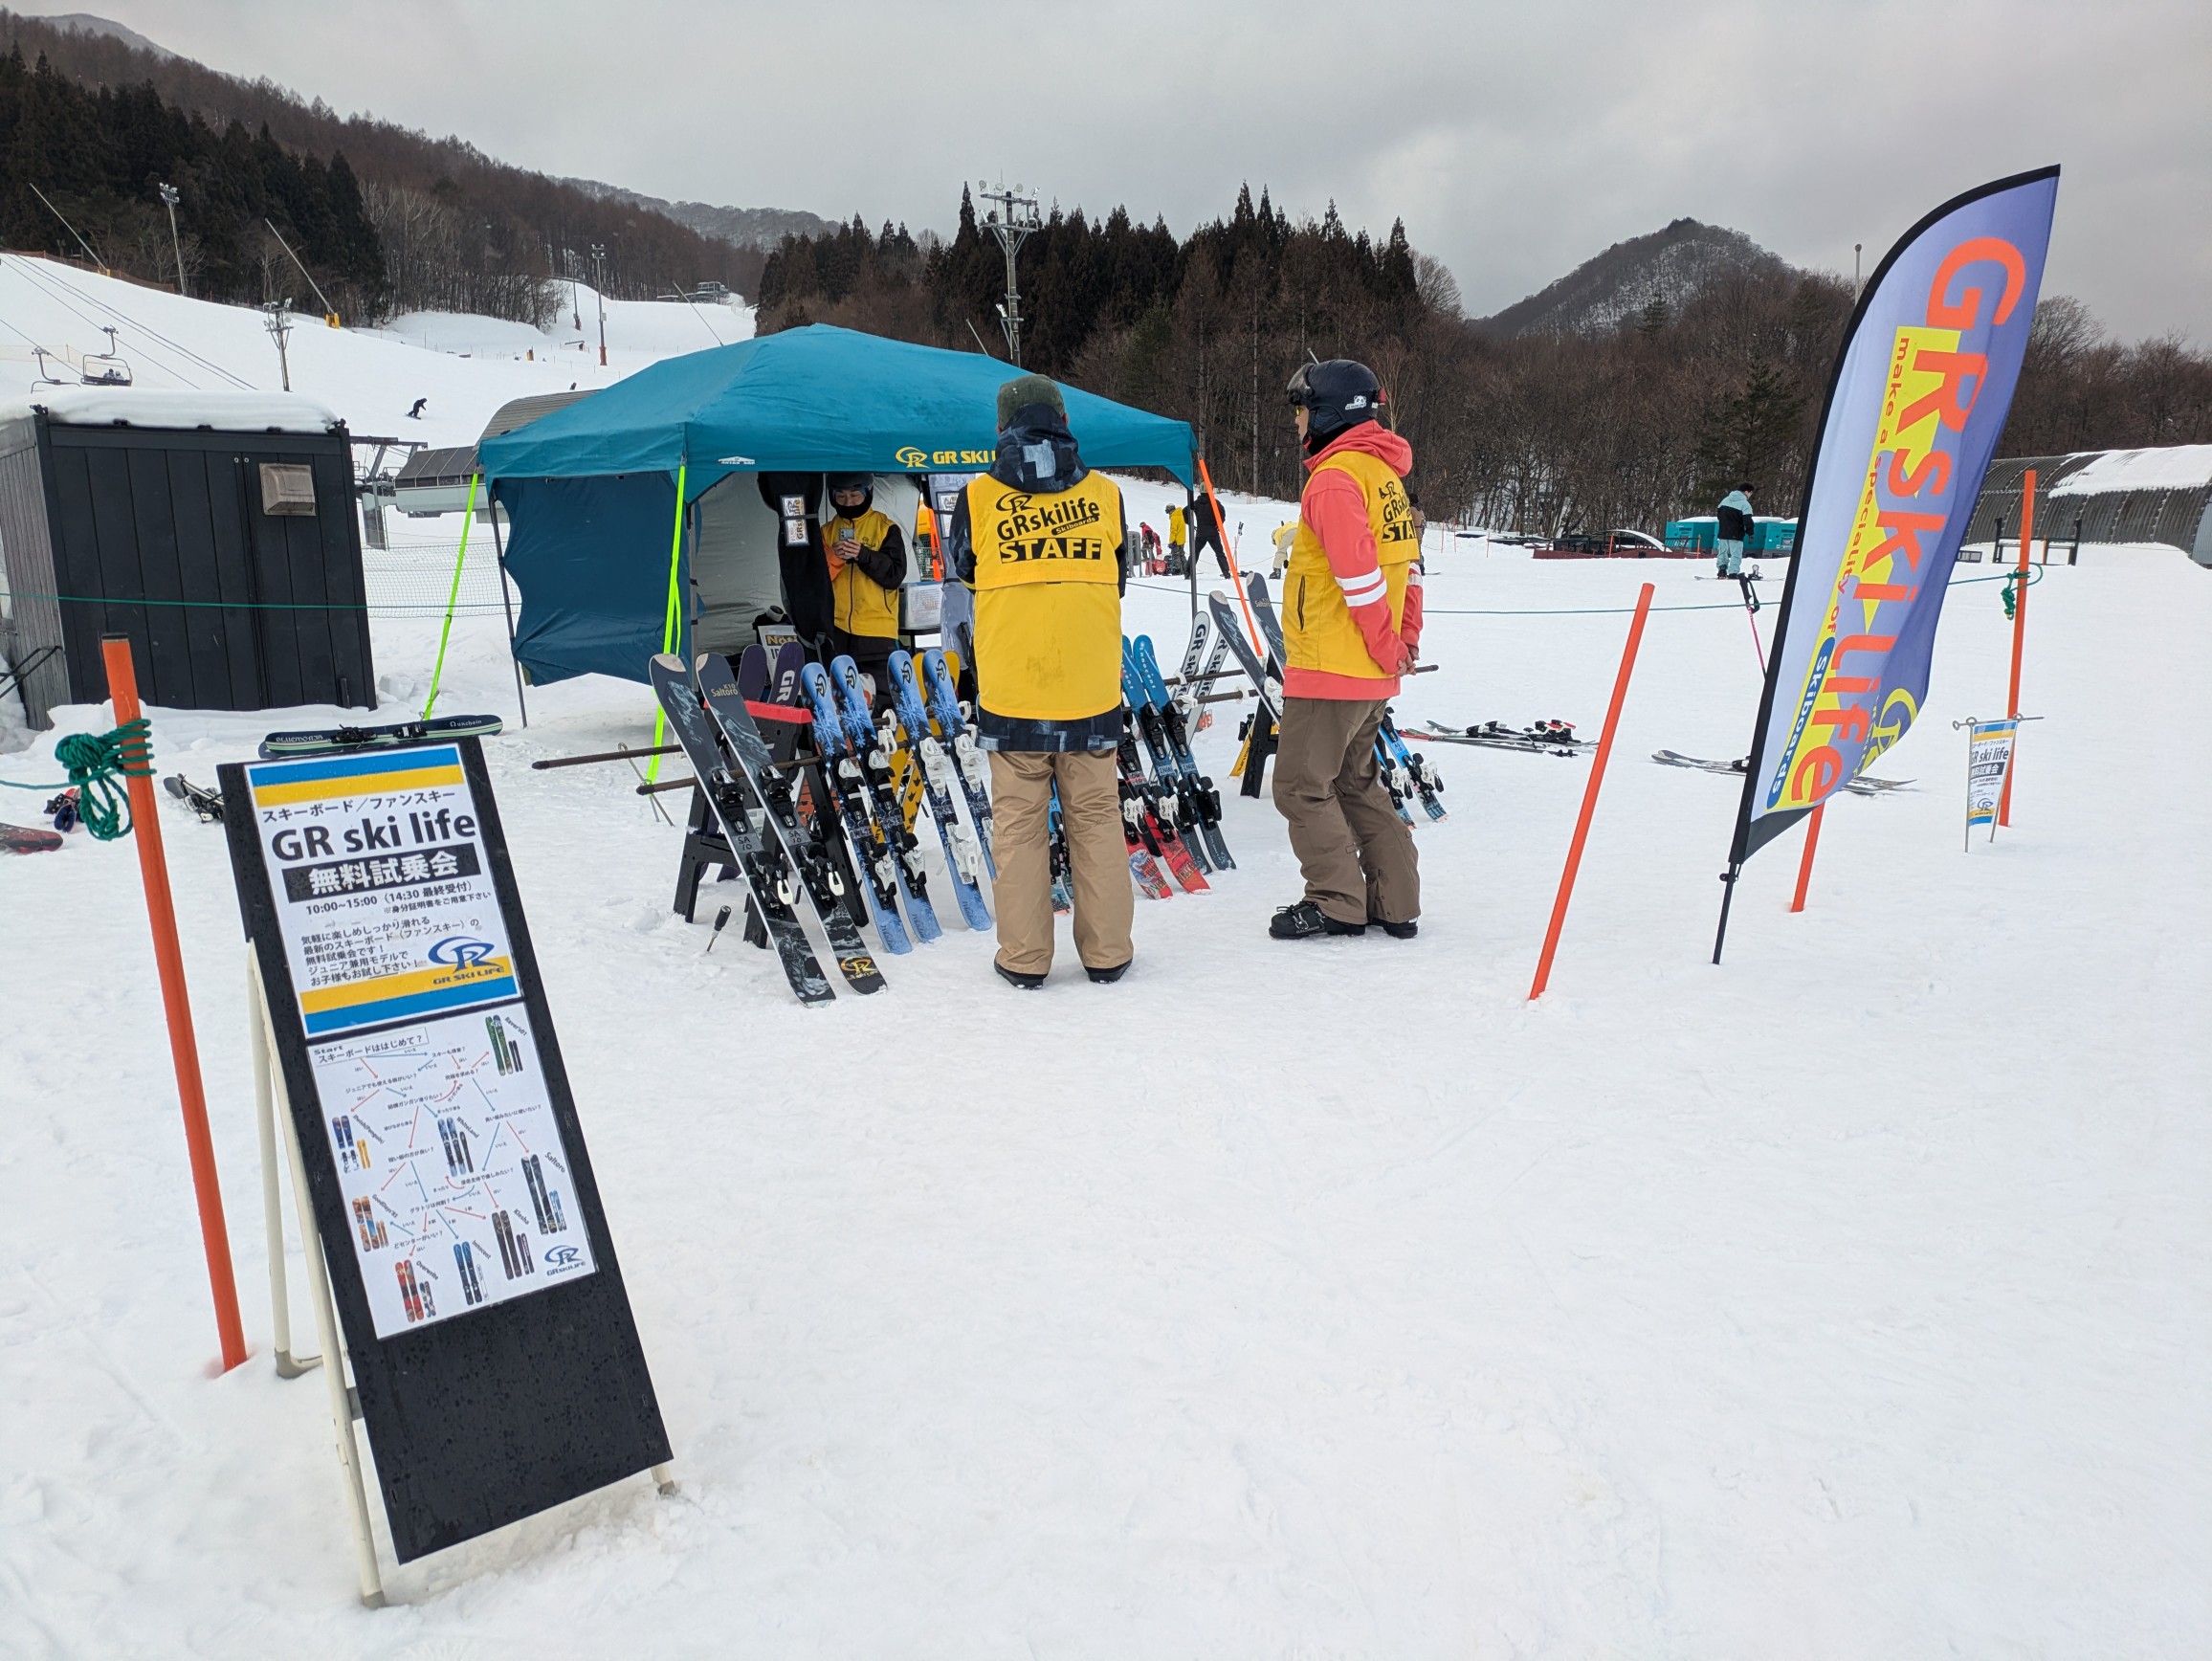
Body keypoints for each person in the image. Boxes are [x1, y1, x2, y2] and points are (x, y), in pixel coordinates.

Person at [949, 374, 1134, 988]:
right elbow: (1120, 576)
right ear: (1062, 421)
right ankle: (1108, 953)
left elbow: (965, 570)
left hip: (1014, 694)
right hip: (1090, 691)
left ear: (1003, 428)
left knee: (1021, 830)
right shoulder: (1108, 495)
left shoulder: (975, 498)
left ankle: (1025, 959)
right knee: (1098, 822)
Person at [1269, 358, 1422, 942]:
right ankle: (1396, 901)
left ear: (1330, 414)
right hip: (1369, 669)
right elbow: (1410, 568)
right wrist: (1402, 640)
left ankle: (1336, 902)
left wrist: (1388, 645)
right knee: (1355, 781)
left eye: (1303, 410)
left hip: (1332, 665)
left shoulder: (1333, 479)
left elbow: (1358, 577)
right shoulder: (1383, 477)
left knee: (1301, 786)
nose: (1298, 422)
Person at [820, 473, 907, 701]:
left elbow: (894, 575)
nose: (848, 502)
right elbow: (815, 582)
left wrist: (862, 554)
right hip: (838, 632)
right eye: (841, 496)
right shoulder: (826, 532)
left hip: (877, 633)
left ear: (868, 493)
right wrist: (833, 556)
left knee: (882, 700)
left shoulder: (885, 528)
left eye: (855, 496)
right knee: (842, 700)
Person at [1189, 488, 1233, 579]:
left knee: (1195, 553)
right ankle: (1226, 572)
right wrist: (1218, 524)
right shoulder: (1215, 503)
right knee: (1219, 553)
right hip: (1213, 532)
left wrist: (1189, 522)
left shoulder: (1196, 503)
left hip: (1200, 532)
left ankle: (1187, 572)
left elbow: (1185, 511)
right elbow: (1222, 513)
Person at [1715, 483, 1754, 578]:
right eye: (1750, 493)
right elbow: (1748, 521)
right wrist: (1750, 532)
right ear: (1746, 491)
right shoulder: (1745, 504)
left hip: (1723, 532)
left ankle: (1722, 569)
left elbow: (1719, 515)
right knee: (1735, 554)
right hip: (1736, 533)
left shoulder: (1725, 500)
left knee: (1722, 552)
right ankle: (1733, 572)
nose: (1750, 495)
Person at [1166, 500, 1188, 573]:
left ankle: (1178, 570)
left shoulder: (1174, 517)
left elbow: (1173, 531)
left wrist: (1171, 541)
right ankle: (1186, 570)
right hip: (1182, 539)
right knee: (1182, 555)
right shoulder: (1181, 515)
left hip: (1176, 540)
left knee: (1176, 555)